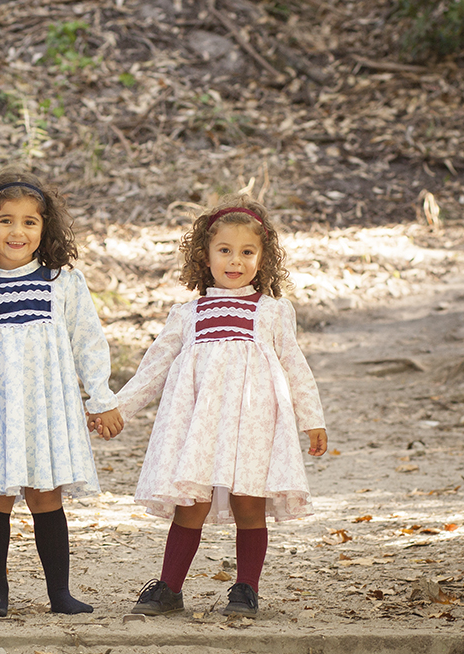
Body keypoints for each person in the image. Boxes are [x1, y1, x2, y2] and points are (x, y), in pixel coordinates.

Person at [95, 200, 326, 619]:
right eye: (224, 250)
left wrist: (313, 420)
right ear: (205, 254)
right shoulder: (187, 313)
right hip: (198, 424)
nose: (235, 260)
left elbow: (296, 366)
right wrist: (117, 409)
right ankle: (169, 588)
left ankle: (246, 589)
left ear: (263, 257)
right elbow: (154, 367)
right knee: (191, 504)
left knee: (249, 505)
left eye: (247, 252)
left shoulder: (273, 311)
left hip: (253, 422)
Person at [0, 169, 122, 618]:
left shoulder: (63, 283)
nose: (17, 231)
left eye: (29, 222)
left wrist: (101, 398)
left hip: (47, 411)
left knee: (45, 497)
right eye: (6, 221)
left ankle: (60, 594)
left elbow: (89, 344)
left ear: (44, 229)